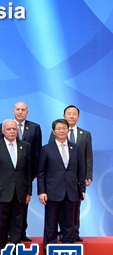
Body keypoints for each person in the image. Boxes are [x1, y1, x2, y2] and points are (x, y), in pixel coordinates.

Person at [0, 120, 32, 255]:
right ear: (2, 131)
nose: (12, 131)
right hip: (1, 192)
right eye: (8, 129)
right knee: (1, 224)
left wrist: (29, 192)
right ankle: (2, 253)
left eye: (14, 129)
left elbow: (29, 171)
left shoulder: (25, 146)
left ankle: (15, 253)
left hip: (20, 191)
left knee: (17, 224)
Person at [39, 119, 83, 247]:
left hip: (71, 192)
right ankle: (49, 250)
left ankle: (68, 250)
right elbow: (41, 172)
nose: (62, 131)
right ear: (54, 132)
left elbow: (81, 170)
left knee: (69, 224)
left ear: (68, 130)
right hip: (52, 192)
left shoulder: (75, 148)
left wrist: (82, 190)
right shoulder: (46, 149)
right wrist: (42, 191)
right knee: (51, 223)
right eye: (58, 128)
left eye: (64, 128)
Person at [12, 102, 41, 243]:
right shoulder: (5, 126)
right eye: (18, 109)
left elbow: (37, 151)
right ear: (13, 111)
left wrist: (35, 171)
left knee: (23, 204)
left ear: (27, 112)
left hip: (26, 174)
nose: (20, 112)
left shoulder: (35, 127)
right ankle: (8, 232)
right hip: (7, 174)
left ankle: (22, 232)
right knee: (8, 205)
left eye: (23, 110)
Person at [62, 105, 92, 242]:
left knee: (75, 205)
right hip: (60, 176)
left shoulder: (85, 134)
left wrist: (88, 174)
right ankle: (62, 232)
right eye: (69, 113)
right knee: (61, 205)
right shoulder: (57, 132)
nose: (71, 116)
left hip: (77, 176)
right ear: (64, 116)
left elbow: (88, 156)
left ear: (78, 117)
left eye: (74, 114)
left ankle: (74, 232)